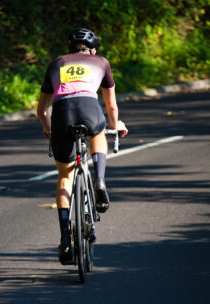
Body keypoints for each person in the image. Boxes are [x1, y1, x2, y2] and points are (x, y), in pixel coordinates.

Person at [37, 27, 128, 265]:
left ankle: (66, 238)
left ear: (70, 49)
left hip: (62, 113)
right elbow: (111, 106)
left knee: (64, 177)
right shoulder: (101, 62)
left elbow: (41, 110)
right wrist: (115, 124)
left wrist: (48, 127)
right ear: (93, 49)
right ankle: (99, 180)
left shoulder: (56, 63)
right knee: (97, 134)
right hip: (89, 108)